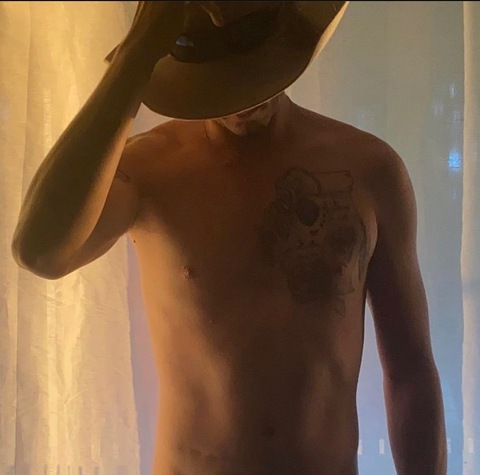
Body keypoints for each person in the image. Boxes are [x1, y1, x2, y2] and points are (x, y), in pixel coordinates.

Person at [11, 2, 447, 474]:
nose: (243, 96)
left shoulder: (368, 169)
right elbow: (40, 251)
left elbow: (410, 372)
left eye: (253, 67)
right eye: (219, 75)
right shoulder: (147, 171)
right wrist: (136, 56)